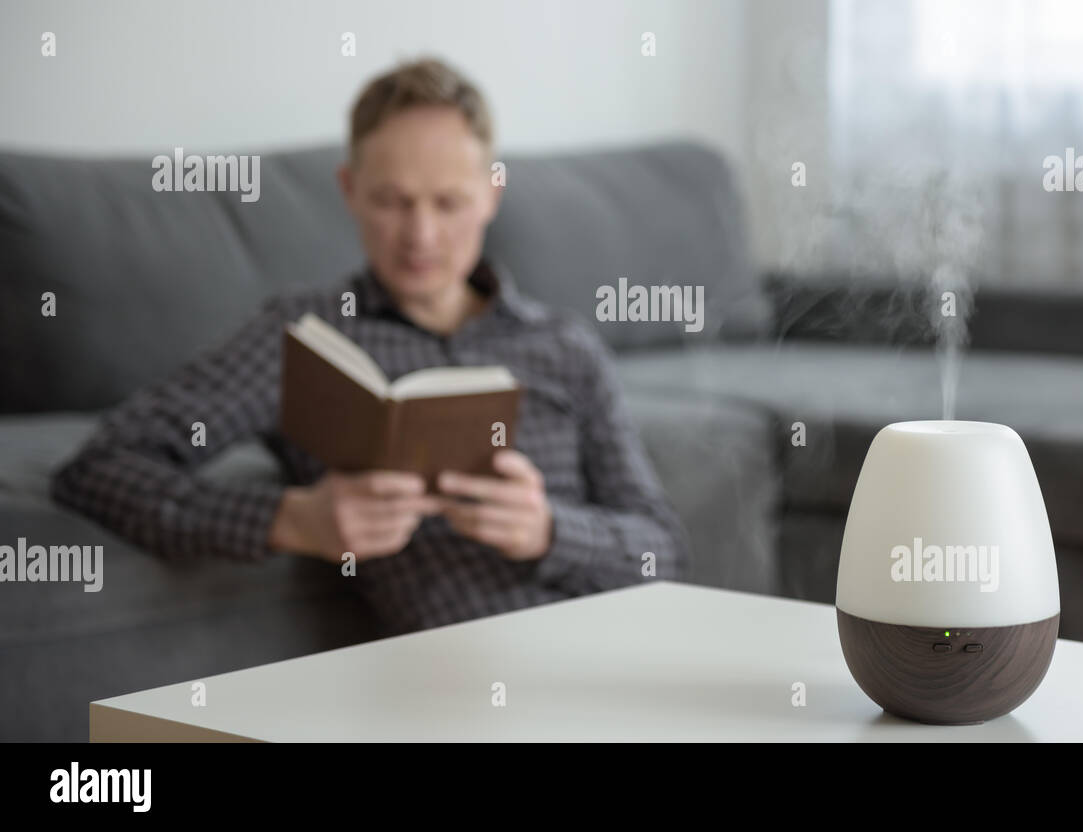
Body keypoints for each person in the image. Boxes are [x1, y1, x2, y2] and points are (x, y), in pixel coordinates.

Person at [51, 57, 691, 634]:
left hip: (614, 661)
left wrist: (550, 530)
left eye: (448, 202)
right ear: (349, 190)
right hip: (469, 692)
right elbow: (100, 468)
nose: (420, 234)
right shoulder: (304, 339)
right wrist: (294, 519)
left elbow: (662, 551)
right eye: (391, 201)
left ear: (492, 194)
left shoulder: (564, 347)